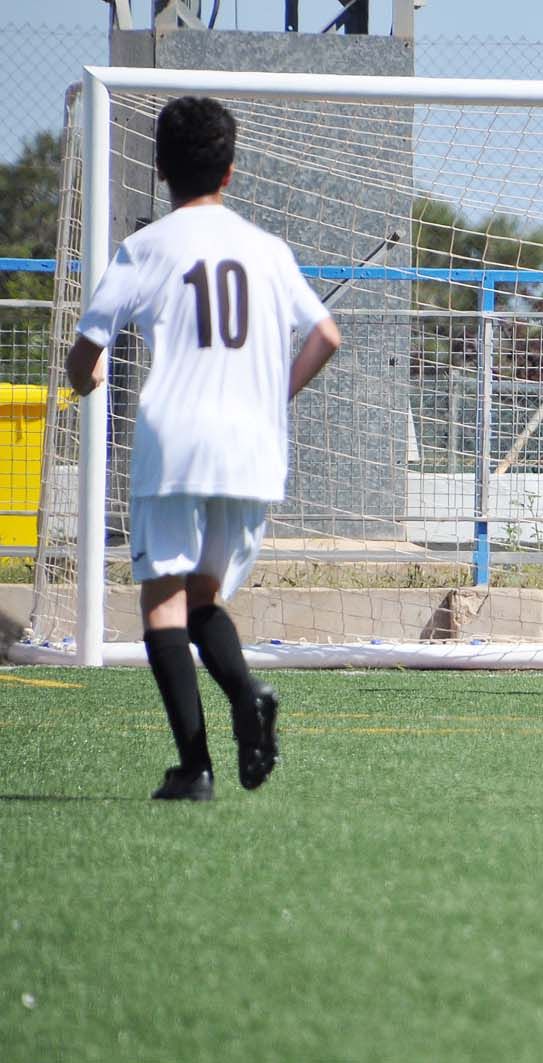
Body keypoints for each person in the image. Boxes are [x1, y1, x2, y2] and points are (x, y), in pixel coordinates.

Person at [66, 96, 341, 801]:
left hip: (177, 439)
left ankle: (196, 765)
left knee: (162, 601)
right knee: (202, 599)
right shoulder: (268, 249)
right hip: (252, 449)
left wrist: (86, 377)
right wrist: (271, 396)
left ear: (160, 168)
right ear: (232, 170)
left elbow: (87, 351)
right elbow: (327, 336)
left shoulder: (149, 245)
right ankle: (245, 695)